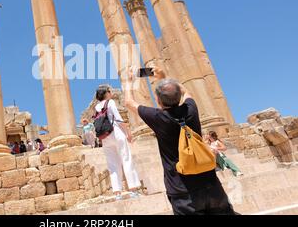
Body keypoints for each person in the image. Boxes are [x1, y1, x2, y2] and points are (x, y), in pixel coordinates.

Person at [124, 67, 235, 215]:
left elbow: (128, 102)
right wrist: (164, 77)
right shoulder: (191, 110)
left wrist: (128, 82)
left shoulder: (157, 117)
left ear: (157, 100)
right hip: (210, 184)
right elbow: (186, 92)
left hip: (181, 190)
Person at [94, 84, 142, 200]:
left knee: (112, 164)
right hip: (116, 132)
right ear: (106, 93)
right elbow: (118, 119)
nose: (111, 93)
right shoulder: (110, 102)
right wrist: (128, 133)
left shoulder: (96, 107)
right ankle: (133, 190)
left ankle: (117, 193)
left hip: (105, 137)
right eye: (109, 91)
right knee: (126, 159)